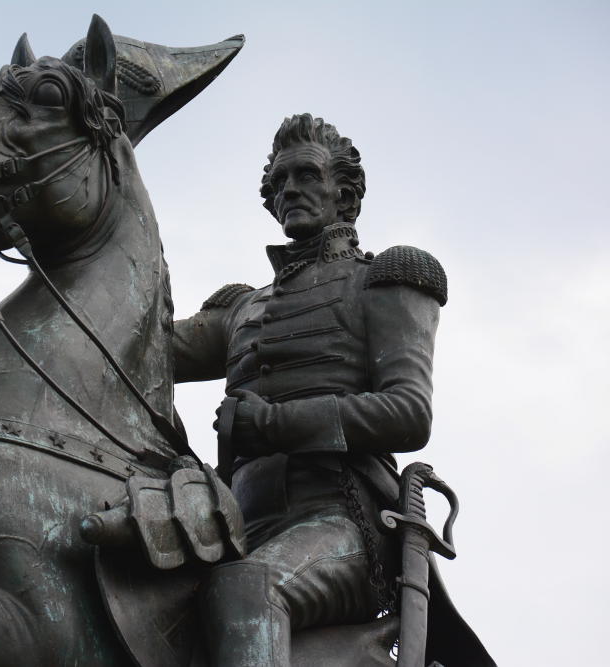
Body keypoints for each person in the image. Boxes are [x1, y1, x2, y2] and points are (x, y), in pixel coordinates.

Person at [173, 113, 448, 666]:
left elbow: (409, 412)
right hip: (234, 527)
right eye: (278, 183)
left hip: (344, 524)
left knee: (248, 589)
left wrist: (273, 425)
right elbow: (133, 348)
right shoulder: (242, 308)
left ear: (344, 193)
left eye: (304, 175)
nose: (288, 190)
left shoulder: (384, 280)